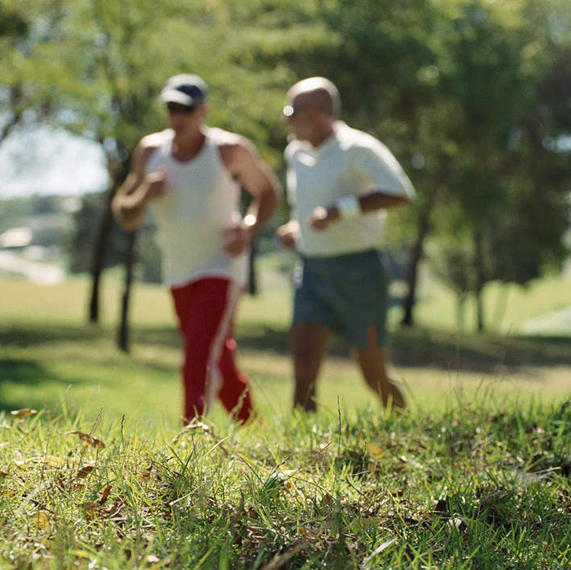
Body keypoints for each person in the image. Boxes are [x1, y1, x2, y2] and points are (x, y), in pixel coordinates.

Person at [112, 73, 280, 424]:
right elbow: (125, 214)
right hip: (179, 269)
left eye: (185, 109)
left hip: (222, 265)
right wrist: (146, 194)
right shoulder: (150, 152)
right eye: (171, 108)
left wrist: (248, 230)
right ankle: (252, 427)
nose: (177, 116)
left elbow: (268, 191)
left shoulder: (228, 150)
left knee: (198, 353)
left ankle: (190, 438)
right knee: (216, 355)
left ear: (203, 110)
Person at [276, 77, 414, 413]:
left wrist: (341, 211)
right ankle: (301, 455)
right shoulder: (295, 153)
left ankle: (405, 430)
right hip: (312, 271)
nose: (287, 118)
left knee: (373, 374)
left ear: (322, 112)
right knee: (303, 368)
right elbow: (309, 206)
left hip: (359, 275)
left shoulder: (358, 148)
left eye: (294, 111)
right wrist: (297, 227)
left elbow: (401, 194)